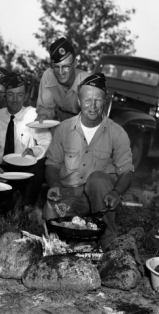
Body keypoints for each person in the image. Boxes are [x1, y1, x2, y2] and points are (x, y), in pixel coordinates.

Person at [44, 73, 134, 249]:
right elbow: (52, 165)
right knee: (50, 210)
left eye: (98, 100)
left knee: (98, 179)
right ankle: (65, 245)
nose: (92, 106)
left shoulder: (117, 133)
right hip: (71, 195)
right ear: (79, 101)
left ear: (105, 101)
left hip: (102, 200)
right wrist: (54, 185)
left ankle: (106, 240)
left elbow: (127, 172)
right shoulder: (63, 129)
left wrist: (116, 192)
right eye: (87, 100)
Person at [0, 71, 52, 211]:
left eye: (20, 95)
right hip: (0, 170)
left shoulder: (33, 114)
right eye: (10, 94)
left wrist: (33, 152)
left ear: (26, 96)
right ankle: (9, 201)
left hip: (25, 171)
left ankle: (28, 205)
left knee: (38, 164)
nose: (15, 100)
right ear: (4, 95)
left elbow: (46, 142)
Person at [35, 37, 89, 122]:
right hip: (62, 123)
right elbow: (45, 108)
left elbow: (93, 118)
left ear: (75, 63)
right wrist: (43, 116)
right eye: (56, 67)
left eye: (65, 66)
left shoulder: (87, 83)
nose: (60, 72)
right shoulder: (48, 76)